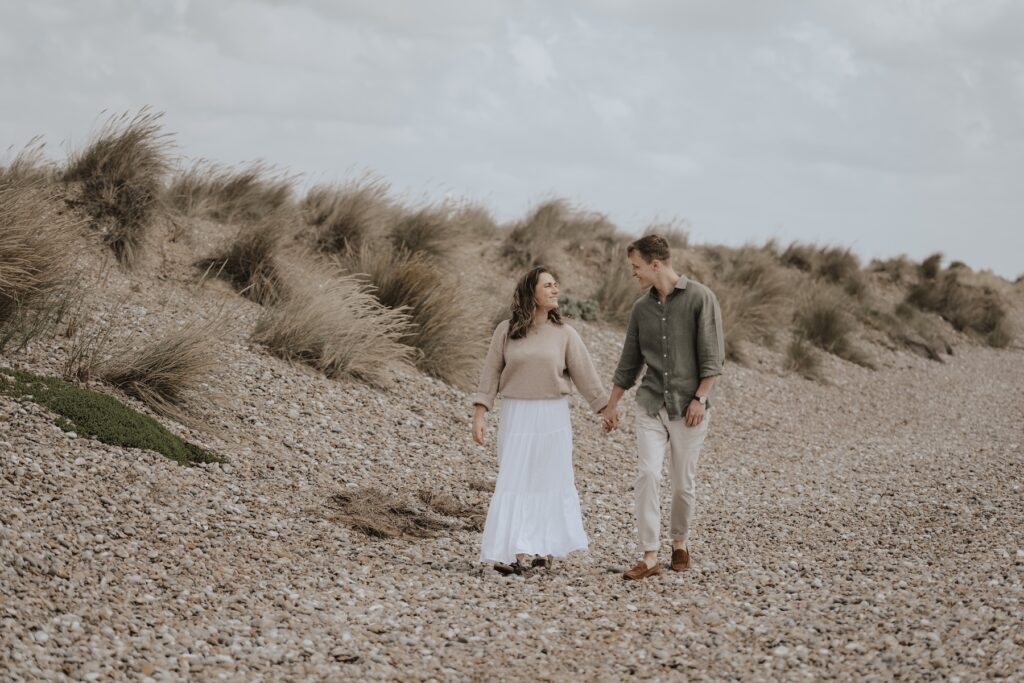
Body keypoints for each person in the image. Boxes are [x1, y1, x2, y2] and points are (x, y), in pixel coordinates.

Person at [600, 234, 725, 581]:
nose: (633, 274)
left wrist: (700, 398)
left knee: (683, 483)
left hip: (690, 407)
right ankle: (650, 555)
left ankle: (680, 542)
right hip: (651, 403)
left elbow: (713, 358)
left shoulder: (701, 298)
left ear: (656, 265)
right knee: (648, 474)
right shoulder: (641, 309)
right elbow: (629, 363)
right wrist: (611, 406)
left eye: (636, 267)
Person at [471, 266, 607, 575]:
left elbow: (586, 376)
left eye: (556, 285)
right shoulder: (506, 331)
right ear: (530, 291)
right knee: (514, 479)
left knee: (548, 479)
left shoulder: (565, 334)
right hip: (516, 413)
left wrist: (604, 409)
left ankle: (542, 551)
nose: (555, 290)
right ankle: (513, 551)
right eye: (548, 285)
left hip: (552, 414)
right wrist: (480, 413)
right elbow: (490, 373)